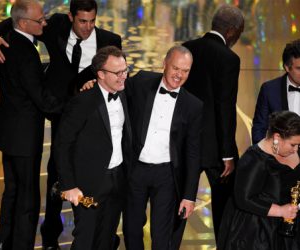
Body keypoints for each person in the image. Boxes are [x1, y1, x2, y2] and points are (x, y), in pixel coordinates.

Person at [0, 1, 122, 247]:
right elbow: (16, 19)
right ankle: (49, 236)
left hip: (94, 122)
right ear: (71, 17)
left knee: (96, 172)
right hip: (60, 116)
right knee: (54, 177)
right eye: (82, 21)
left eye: (92, 21)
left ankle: (101, 235)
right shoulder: (52, 26)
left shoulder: (110, 40)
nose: (88, 27)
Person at [0, 1, 63, 249]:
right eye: (39, 21)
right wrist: (71, 109)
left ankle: (4, 243)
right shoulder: (26, 53)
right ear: (23, 24)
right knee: (27, 199)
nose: (44, 23)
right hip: (24, 137)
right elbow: (41, 97)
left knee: (12, 192)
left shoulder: (8, 40)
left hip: (8, 132)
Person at [123, 46, 202, 250]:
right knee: (131, 230)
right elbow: (115, 90)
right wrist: (92, 84)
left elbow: (193, 153)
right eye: (176, 68)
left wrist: (189, 195)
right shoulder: (141, 82)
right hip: (136, 170)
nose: (180, 75)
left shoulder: (193, 105)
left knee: (162, 236)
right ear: (164, 64)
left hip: (166, 175)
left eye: (185, 71)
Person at [54, 45, 131, 250]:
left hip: (117, 179)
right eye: (117, 72)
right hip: (88, 186)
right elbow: (63, 144)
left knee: (106, 239)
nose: (123, 76)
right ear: (101, 74)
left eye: (125, 70)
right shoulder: (82, 102)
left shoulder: (125, 92)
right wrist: (68, 185)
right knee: (85, 239)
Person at [181, 4, 244, 243]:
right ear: (231, 31)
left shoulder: (186, 49)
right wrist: (228, 153)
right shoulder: (229, 58)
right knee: (224, 210)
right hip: (217, 148)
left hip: (186, 142)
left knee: (180, 202)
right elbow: (224, 106)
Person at [218, 111, 300, 250]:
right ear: (277, 137)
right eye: (293, 145)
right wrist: (280, 211)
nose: (296, 149)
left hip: (290, 227)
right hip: (257, 233)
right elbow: (244, 199)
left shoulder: (294, 150)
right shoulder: (254, 159)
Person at [252, 39, 300, 144]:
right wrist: (268, 158)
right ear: (287, 67)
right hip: (278, 158)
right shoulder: (269, 90)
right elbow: (259, 130)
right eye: (299, 68)